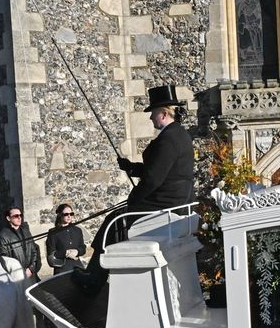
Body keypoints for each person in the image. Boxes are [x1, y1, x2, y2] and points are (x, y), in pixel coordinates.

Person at [76, 84, 195, 293]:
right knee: (115, 220)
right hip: (174, 200)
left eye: (153, 114)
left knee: (114, 222)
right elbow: (163, 170)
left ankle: (94, 278)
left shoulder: (168, 140)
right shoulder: (180, 135)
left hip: (163, 203)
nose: (150, 119)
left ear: (165, 113)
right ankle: (97, 273)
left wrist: (134, 199)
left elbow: (153, 179)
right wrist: (132, 168)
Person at [0, 201, 41, 283]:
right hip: (17, 278)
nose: (19, 218)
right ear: (8, 218)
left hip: (31, 275)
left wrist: (31, 269)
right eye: (16, 216)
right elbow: (5, 258)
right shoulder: (3, 235)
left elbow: (34, 251)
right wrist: (21, 271)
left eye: (20, 215)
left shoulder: (26, 231)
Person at [46, 203, 87, 274]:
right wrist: (66, 253)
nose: (69, 216)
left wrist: (77, 252)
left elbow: (83, 248)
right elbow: (51, 253)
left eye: (71, 214)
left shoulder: (77, 230)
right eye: (66, 214)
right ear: (60, 215)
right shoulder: (53, 232)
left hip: (77, 267)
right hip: (62, 268)